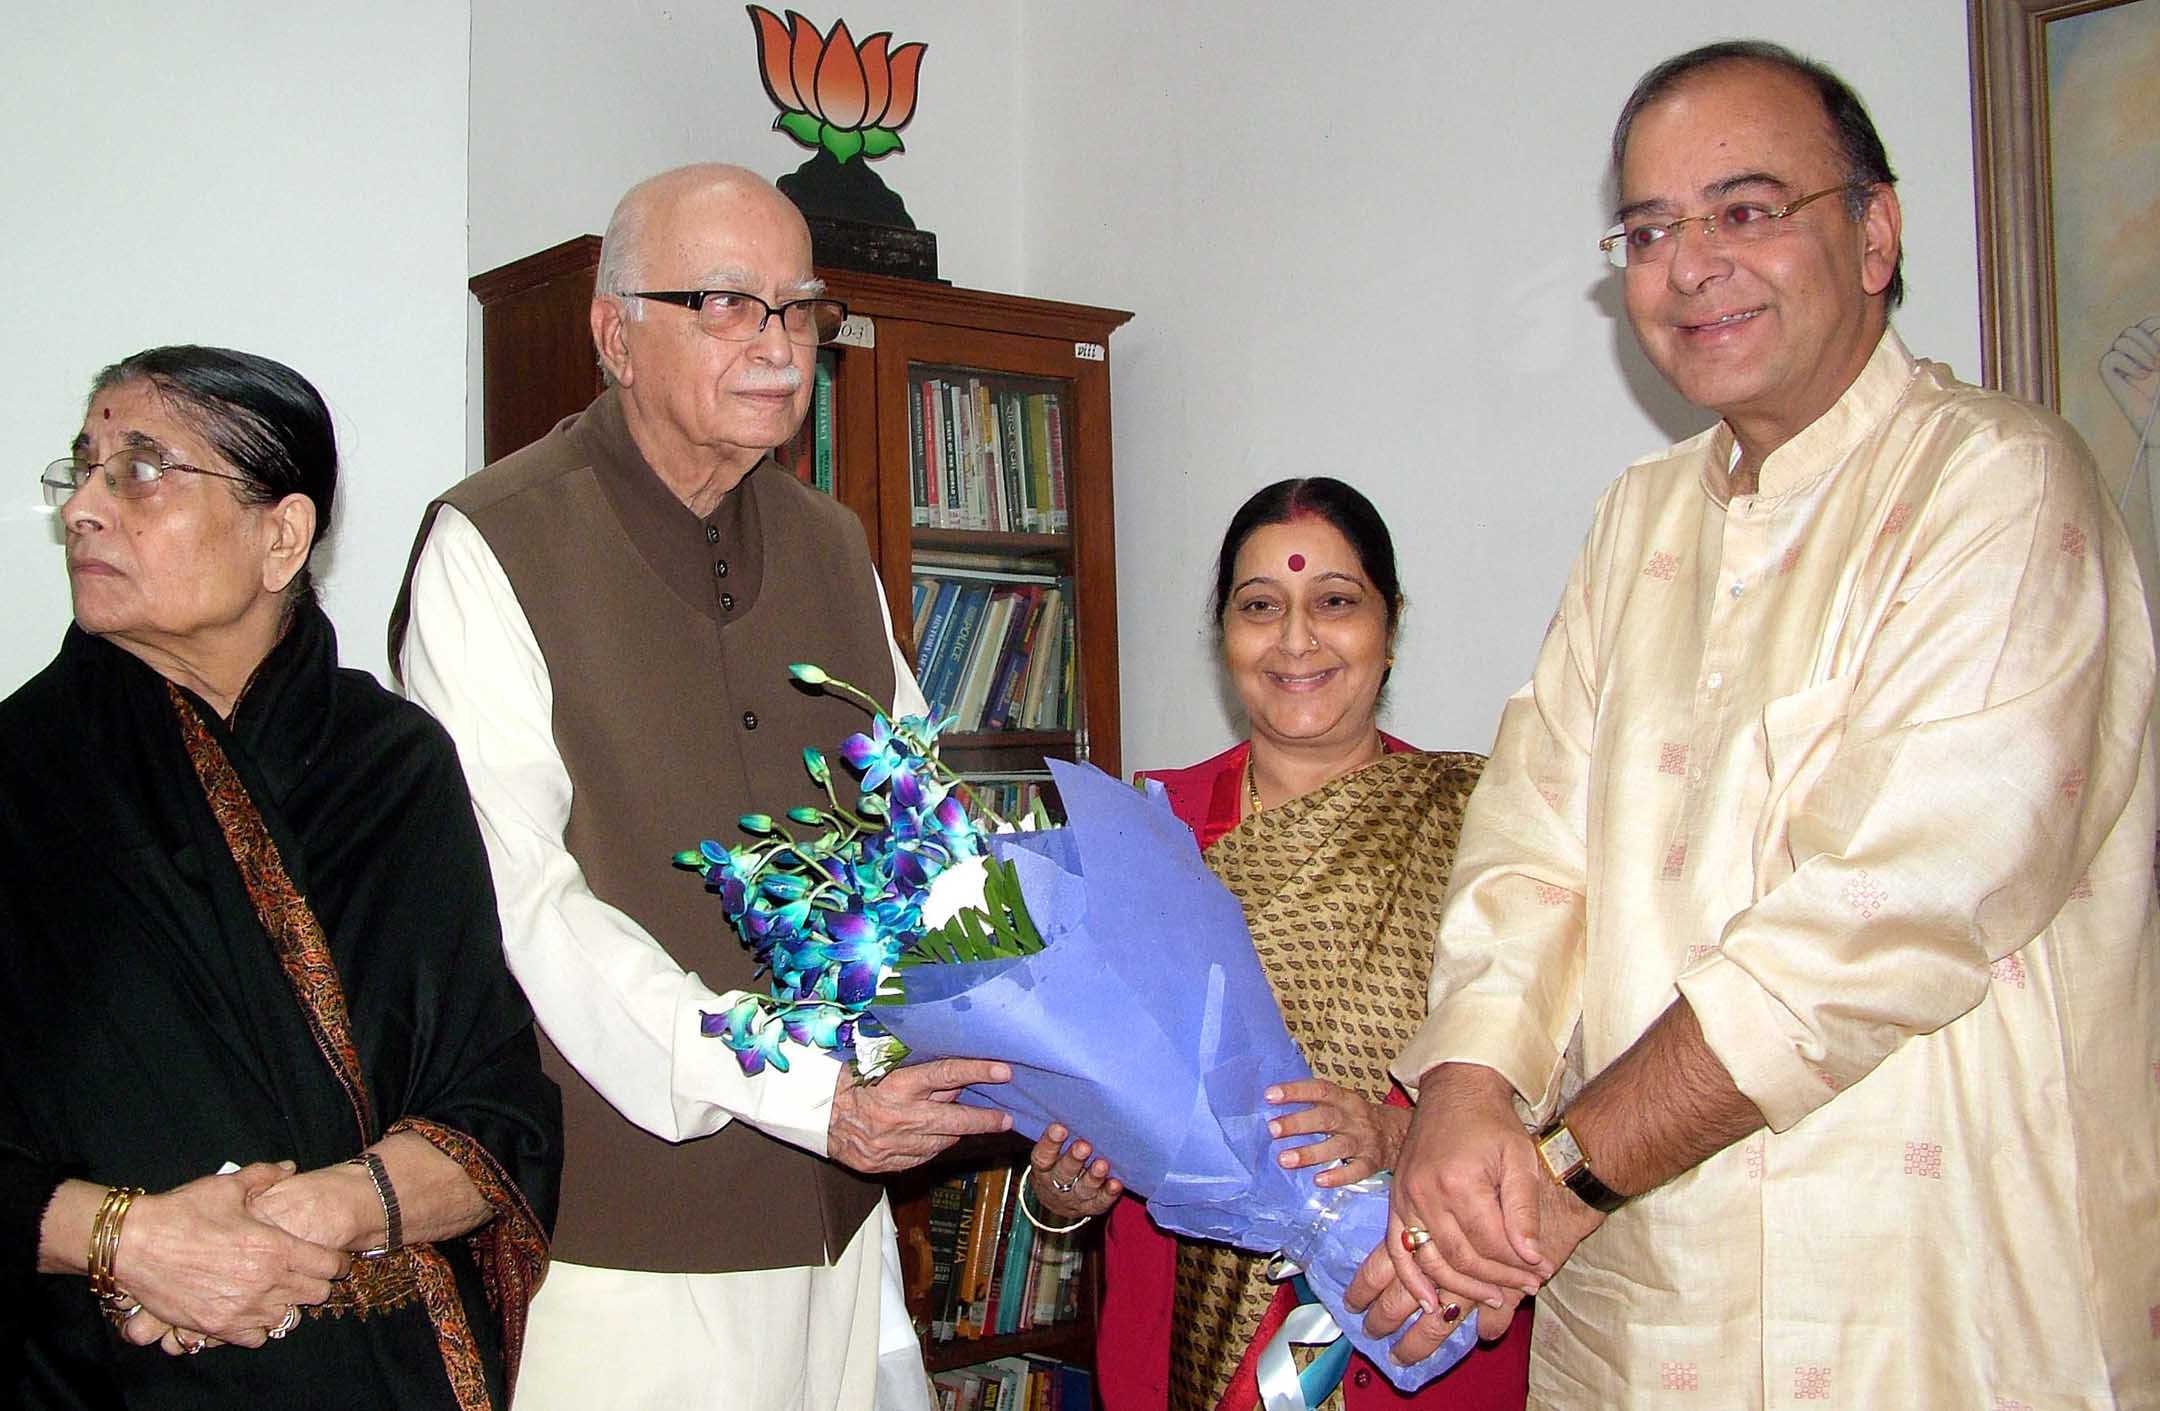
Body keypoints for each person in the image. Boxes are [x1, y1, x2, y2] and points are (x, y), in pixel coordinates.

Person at [1347, 40, 2160, 1409]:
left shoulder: (2006, 490)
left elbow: (1885, 911)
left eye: (1748, 208)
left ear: (1874, 234)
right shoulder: (1638, 521)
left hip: (1932, 1300)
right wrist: (1470, 1095)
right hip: (1644, 1306)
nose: (1692, 263)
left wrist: (1557, 1174)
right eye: (1652, 229)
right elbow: (1530, 848)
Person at [390, 163, 1011, 1410]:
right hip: (622, 1251)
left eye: (799, 307)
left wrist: (1027, 1035)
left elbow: (928, 840)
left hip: (844, 1234)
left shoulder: (834, 545)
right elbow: (524, 908)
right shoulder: (492, 541)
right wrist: (799, 1087)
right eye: (728, 302)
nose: (779, 344)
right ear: (615, 333)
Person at [1, 345, 560, 1409]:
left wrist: (316, 1218)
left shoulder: (393, 765)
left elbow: (497, 1112)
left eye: (143, 467)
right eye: (82, 469)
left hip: (380, 1375)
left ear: (282, 535)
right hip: (98, 1378)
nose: (83, 507)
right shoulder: (23, 782)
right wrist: (131, 1239)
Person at [1026, 478, 1530, 1411]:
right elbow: (1072, 1098)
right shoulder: (1146, 833)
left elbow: (1565, 1088)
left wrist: (1397, 1131)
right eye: (1261, 607)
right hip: (1184, 1327)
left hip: (1416, 1314)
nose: (1297, 640)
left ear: (1390, 623)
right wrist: (1062, 1187)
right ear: (1226, 633)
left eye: (1334, 601)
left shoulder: (1486, 826)